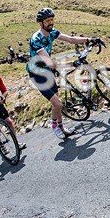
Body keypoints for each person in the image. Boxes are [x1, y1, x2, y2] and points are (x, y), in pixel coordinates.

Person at [26, 8, 99, 140]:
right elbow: (51, 64)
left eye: (52, 20)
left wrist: (89, 39)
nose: (51, 23)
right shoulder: (36, 39)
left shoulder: (52, 33)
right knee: (58, 104)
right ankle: (54, 126)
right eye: (47, 21)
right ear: (40, 23)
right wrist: (72, 64)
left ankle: (61, 126)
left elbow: (71, 39)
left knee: (57, 102)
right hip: (37, 74)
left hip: (47, 71)